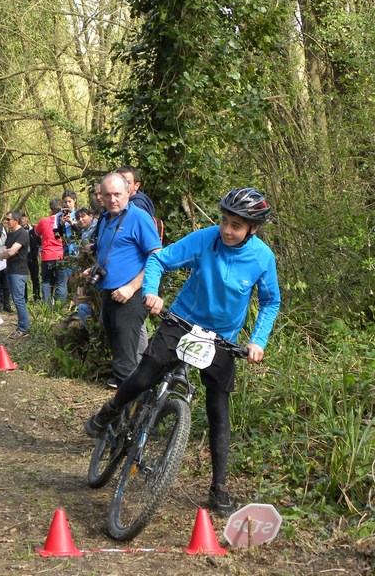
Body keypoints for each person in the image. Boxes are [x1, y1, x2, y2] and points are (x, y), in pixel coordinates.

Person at [85, 187, 281, 516]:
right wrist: (151, 292)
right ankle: (111, 410)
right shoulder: (205, 239)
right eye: (225, 222)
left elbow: (271, 301)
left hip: (221, 338)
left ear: (253, 229)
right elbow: (159, 259)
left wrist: (258, 340)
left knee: (219, 409)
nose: (227, 231)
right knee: (146, 374)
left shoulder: (262, 258)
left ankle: (219, 487)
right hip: (183, 321)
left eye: (236, 226)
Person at [87, 172, 161, 389]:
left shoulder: (139, 218)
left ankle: (128, 414)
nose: (112, 199)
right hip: (109, 293)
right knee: (121, 351)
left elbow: (156, 257)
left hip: (131, 295)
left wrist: (131, 287)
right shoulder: (106, 218)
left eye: (117, 194)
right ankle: (134, 402)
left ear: (128, 192)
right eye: (107, 195)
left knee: (125, 362)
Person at [0, 210, 30, 338]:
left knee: (18, 300)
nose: (6, 221)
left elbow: (11, 252)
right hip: (10, 270)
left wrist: (3, 254)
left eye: (8, 219)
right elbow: (5, 249)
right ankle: (21, 325)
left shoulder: (22, 233)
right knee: (16, 299)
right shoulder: (11, 234)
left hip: (19, 271)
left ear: (15, 221)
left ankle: (23, 328)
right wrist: (4, 253)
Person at [34, 199, 67, 304]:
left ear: (51, 209)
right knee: (61, 283)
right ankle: (59, 307)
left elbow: (36, 232)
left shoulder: (44, 221)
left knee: (46, 282)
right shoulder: (64, 221)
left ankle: (47, 307)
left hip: (47, 255)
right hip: (60, 255)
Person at [19, 213, 41, 301]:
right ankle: (24, 298)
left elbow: (40, 243)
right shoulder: (17, 231)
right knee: (23, 278)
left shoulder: (34, 230)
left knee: (35, 277)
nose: (22, 220)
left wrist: (38, 252)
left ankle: (37, 296)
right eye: (20, 218)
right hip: (22, 257)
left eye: (23, 218)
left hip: (33, 257)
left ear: (26, 219)